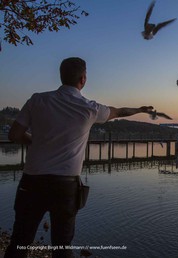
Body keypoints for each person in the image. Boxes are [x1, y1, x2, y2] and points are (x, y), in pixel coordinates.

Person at [5, 57, 153, 258]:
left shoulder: (37, 100)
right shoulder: (90, 108)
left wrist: (35, 141)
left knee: (19, 241)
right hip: (65, 186)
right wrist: (140, 110)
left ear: (60, 75)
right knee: (62, 246)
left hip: (32, 182)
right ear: (83, 79)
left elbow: (14, 135)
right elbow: (120, 112)